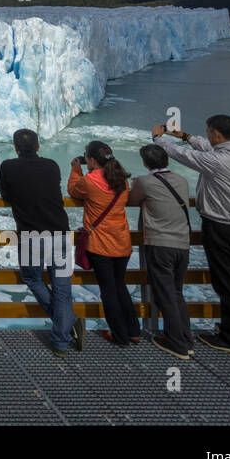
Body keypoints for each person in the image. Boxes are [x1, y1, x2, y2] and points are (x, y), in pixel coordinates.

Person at [152, 115, 230, 356]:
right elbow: (206, 149)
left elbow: (185, 156)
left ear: (217, 135)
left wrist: (158, 139)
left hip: (222, 228)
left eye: (209, 132)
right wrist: (185, 136)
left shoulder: (219, 162)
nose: (208, 137)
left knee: (227, 284)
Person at [0, 129, 81, 355]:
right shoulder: (52, 165)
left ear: (16, 147)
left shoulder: (8, 167)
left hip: (31, 235)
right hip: (60, 233)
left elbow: (5, 194)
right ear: (38, 146)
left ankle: (68, 323)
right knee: (63, 289)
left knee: (32, 277)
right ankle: (61, 340)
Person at [68, 141, 138, 346]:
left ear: (91, 160)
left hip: (100, 244)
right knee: (120, 286)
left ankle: (119, 335)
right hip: (122, 241)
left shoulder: (90, 181)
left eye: (86, 157)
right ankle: (134, 330)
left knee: (108, 291)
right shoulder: (121, 180)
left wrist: (75, 169)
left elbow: (73, 189)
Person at [129, 144, 193, 359]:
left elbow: (131, 200)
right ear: (167, 161)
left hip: (160, 244)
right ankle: (186, 338)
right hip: (182, 244)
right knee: (176, 292)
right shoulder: (182, 181)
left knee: (165, 294)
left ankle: (177, 344)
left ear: (145, 163)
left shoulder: (144, 182)